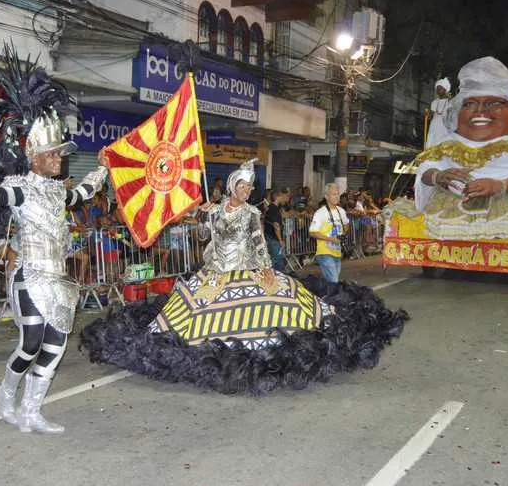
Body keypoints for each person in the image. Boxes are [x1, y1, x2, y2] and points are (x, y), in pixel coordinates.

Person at [80, 159, 409, 394]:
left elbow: (258, 243)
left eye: (250, 187)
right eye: (242, 185)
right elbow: (204, 241)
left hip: (248, 267)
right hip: (217, 270)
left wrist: (266, 267)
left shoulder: (253, 213)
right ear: (233, 186)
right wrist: (204, 221)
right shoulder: (217, 210)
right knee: (188, 307)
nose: (247, 190)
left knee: (281, 300)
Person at [0, 47, 108, 434]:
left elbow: (80, 194)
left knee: (54, 346)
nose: (59, 159)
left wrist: (100, 172)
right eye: (52, 153)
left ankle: (32, 411)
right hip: (29, 274)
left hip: (60, 278)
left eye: (60, 154)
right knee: (30, 342)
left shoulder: (56, 191)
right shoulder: (20, 188)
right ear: (34, 154)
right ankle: (6, 392)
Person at [412, 56, 508, 240]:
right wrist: (438, 176)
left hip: (505, 220)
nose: (480, 111)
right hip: (446, 223)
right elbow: (425, 170)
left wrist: (500, 185)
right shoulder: (446, 144)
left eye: (493, 103)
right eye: (470, 104)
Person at [309, 183, 350, 282]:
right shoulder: (320, 213)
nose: (337, 197)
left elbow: (346, 224)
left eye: (337, 194)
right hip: (324, 252)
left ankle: (323, 295)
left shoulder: (341, 211)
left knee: (331, 281)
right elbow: (312, 232)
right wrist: (331, 239)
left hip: (337, 252)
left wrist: (343, 234)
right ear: (326, 196)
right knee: (334, 280)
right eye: (333, 194)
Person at [264, 187, 290, 271]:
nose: (283, 198)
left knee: (274, 261)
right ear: (277, 197)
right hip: (274, 240)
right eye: (282, 196)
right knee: (277, 262)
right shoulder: (274, 209)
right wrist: (280, 240)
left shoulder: (270, 208)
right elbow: (276, 225)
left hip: (270, 238)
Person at [425, 78, 451, 148]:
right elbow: (431, 117)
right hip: (434, 126)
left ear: (445, 89)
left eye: (440, 88)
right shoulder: (434, 102)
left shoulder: (450, 102)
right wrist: (427, 115)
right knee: (432, 145)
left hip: (444, 127)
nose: (438, 91)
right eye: (437, 89)